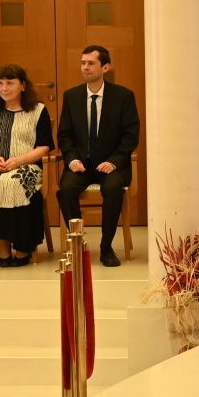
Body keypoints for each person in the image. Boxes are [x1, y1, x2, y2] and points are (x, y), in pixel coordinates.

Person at [56, 46, 140, 268]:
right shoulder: (72, 96)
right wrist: (71, 159)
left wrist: (114, 161)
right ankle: (78, 244)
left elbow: (131, 135)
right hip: (81, 165)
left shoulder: (123, 96)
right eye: (83, 63)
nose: (85, 67)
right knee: (66, 190)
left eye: (91, 63)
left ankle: (106, 247)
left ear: (105, 67)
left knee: (112, 189)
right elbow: (64, 135)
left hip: (112, 165)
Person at [0, 65, 54, 266]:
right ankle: (3, 248)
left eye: (10, 83)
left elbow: (44, 147)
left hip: (27, 165)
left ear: (23, 86)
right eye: (1, 83)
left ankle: (23, 247)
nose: (4, 88)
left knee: (14, 183)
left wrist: (20, 160)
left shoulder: (38, 111)